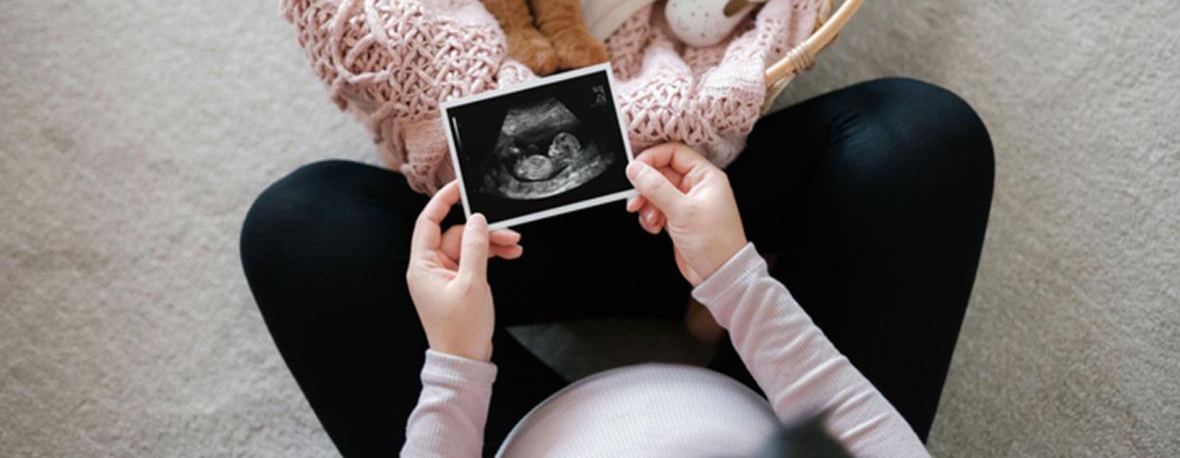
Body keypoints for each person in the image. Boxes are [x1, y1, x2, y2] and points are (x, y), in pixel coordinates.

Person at [241, 78, 994, 456]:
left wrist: (456, 362)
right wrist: (735, 279)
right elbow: (857, 437)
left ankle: (669, 279)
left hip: (510, 427)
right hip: (764, 411)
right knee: (920, 141)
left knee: (301, 230)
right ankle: (694, 296)